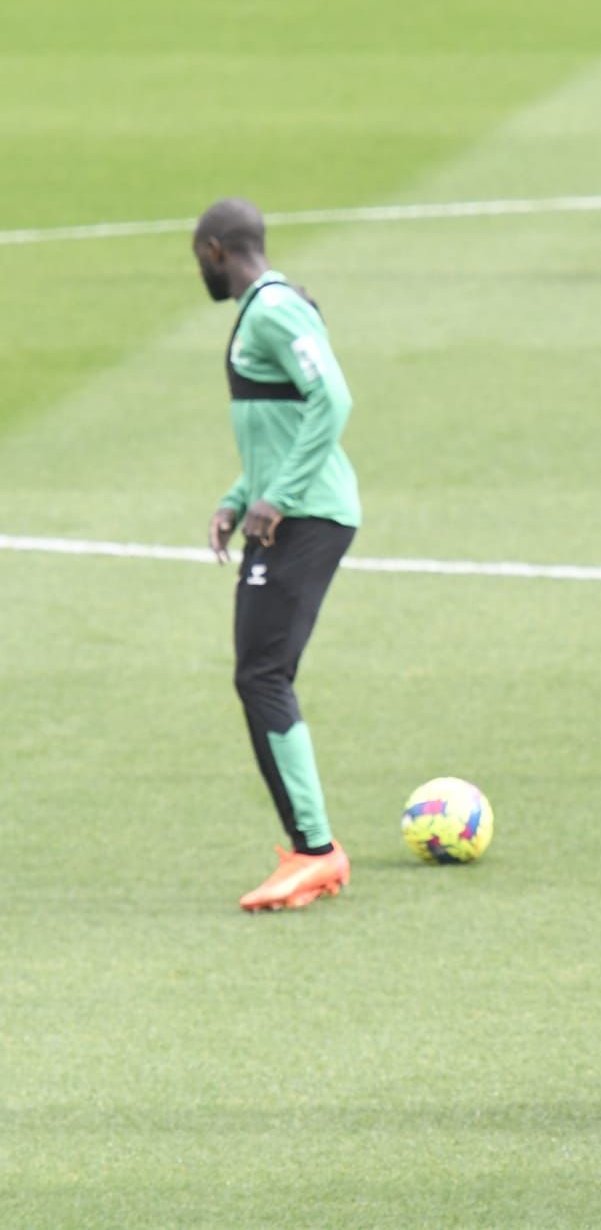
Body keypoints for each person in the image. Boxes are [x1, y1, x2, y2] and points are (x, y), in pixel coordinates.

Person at [194, 198, 361, 913]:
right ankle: (311, 848)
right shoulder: (272, 307)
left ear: (212, 250)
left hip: (308, 515)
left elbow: (334, 398)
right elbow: (282, 416)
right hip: (294, 510)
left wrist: (279, 496)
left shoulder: (271, 310)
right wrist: (241, 494)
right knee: (261, 672)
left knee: (262, 673)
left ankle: (315, 852)